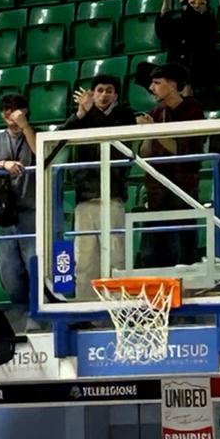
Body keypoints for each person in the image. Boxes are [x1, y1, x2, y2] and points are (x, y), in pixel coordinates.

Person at [61, 73, 135, 293]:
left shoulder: (125, 115)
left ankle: (118, 305)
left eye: (109, 91)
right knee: (84, 259)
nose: (104, 95)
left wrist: (90, 110)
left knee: (115, 256)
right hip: (85, 198)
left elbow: (109, 137)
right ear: (92, 93)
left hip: (112, 195)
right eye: (100, 90)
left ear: (116, 95)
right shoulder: (82, 115)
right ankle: (85, 305)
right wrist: (79, 114)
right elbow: (59, 140)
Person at [135, 64, 205, 268]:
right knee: (153, 255)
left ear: (173, 85)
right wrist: (146, 133)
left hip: (182, 190)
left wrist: (154, 130)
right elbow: (144, 153)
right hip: (156, 191)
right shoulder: (156, 112)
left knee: (182, 253)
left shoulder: (193, 111)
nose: (151, 88)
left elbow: (182, 150)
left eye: (157, 83)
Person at [0, 92, 37, 316]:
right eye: (5, 109)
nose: (9, 113)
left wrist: (25, 127)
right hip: (6, 213)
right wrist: (2, 164)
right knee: (9, 270)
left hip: (32, 210)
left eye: (13, 109)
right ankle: (21, 311)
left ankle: (37, 312)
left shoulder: (35, 132)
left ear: (25, 111)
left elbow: (39, 151)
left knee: (34, 265)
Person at [155, 0, 219, 86]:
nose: (196, 6)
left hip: (199, 73)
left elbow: (194, 21)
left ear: (207, 7)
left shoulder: (209, 21)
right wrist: (166, 3)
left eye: (201, 3)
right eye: (192, 3)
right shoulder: (179, 23)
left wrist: (183, 0)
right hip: (175, 73)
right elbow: (162, 31)